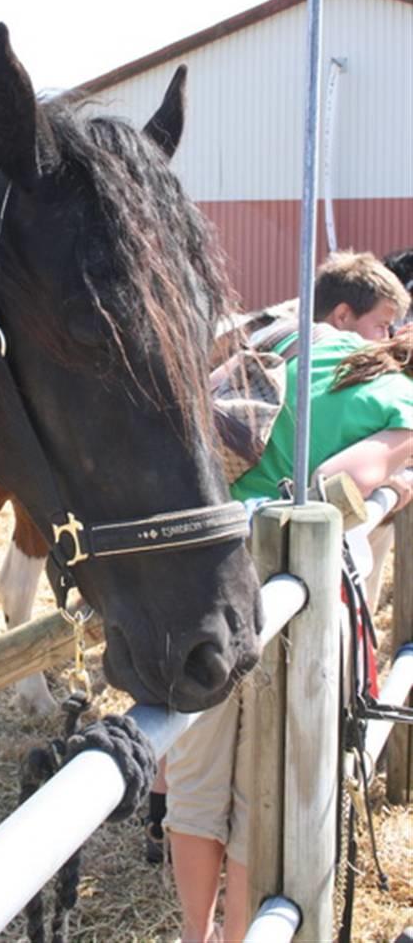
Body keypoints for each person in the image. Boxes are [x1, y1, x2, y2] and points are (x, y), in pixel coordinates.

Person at [144, 251, 409, 865]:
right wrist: (397, 481)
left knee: (184, 704)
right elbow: (330, 481)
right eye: (382, 324)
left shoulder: (284, 338)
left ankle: (162, 810)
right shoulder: (390, 394)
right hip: (268, 556)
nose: (385, 337)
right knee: (257, 752)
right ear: (346, 313)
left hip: (196, 530)